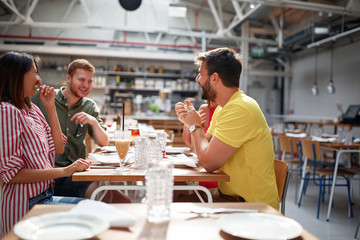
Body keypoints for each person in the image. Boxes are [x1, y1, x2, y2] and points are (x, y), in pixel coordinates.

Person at [175, 47, 278, 209]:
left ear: (214, 78)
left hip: (250, 206)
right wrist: (190, 123)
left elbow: (208, 162)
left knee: (176, 202)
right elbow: (202, 148)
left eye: (201, 74)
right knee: (176, 193)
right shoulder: (225, 108)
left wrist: (195, 126)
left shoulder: (240, 108)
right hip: (229, 196)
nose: (197, 79)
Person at [0, 52, 91, 236]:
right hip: (26, 204)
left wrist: (50, 107)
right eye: (34, 73)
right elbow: (11, 175)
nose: (38, 78)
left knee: (91, 210)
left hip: (44, 196)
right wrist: (64, 171)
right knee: (88, 216)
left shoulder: (31, 109)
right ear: (17, 76)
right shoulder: (7, 111)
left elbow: (58, 148)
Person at [31, 59, 131, 203]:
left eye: (90, 81)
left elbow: (104, 142)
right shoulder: (43, 98)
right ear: (68, 78)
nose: (86, 85)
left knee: (123, 201)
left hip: (77, 172)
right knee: (102, 194)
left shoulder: (89, 106)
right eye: (81, 80)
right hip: (49, 174)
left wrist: (94, 122)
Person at [182, 100, 218, 189]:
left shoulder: (226, 110)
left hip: (214, 169)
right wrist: (189, 123)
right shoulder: (205, 109)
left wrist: (196, 127)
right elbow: (189, 141)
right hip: (201, 163)